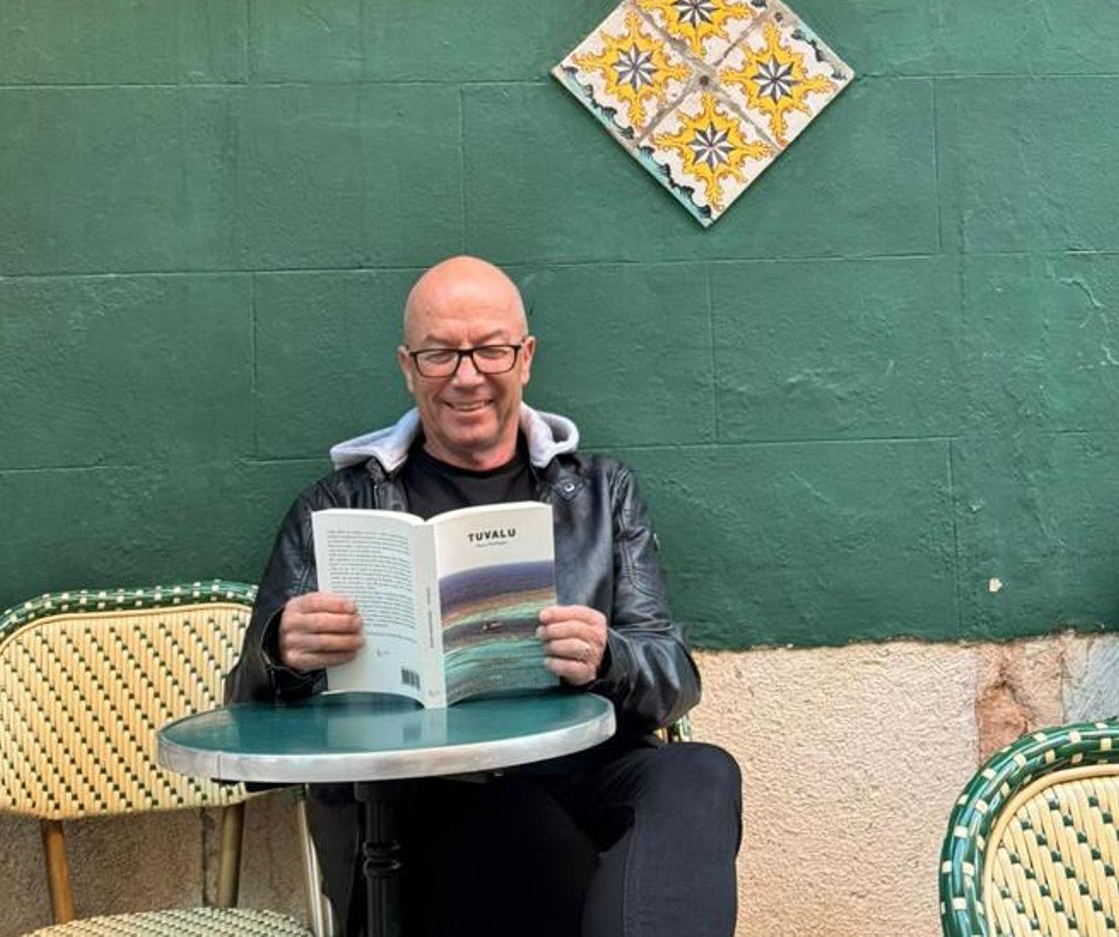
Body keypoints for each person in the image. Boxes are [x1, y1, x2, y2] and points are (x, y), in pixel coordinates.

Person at [227, 255, 742, 937]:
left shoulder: (600, 493)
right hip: (429, 794)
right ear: (408, 367)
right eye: (441, 354)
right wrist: (282, 654)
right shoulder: (338, 507)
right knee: (512, 821)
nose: (468, 377)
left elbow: (672, 680)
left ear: (524, 358)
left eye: (491, 350)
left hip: (583, 768)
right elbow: (245, 717)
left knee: (701, 774)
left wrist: (608, 657)